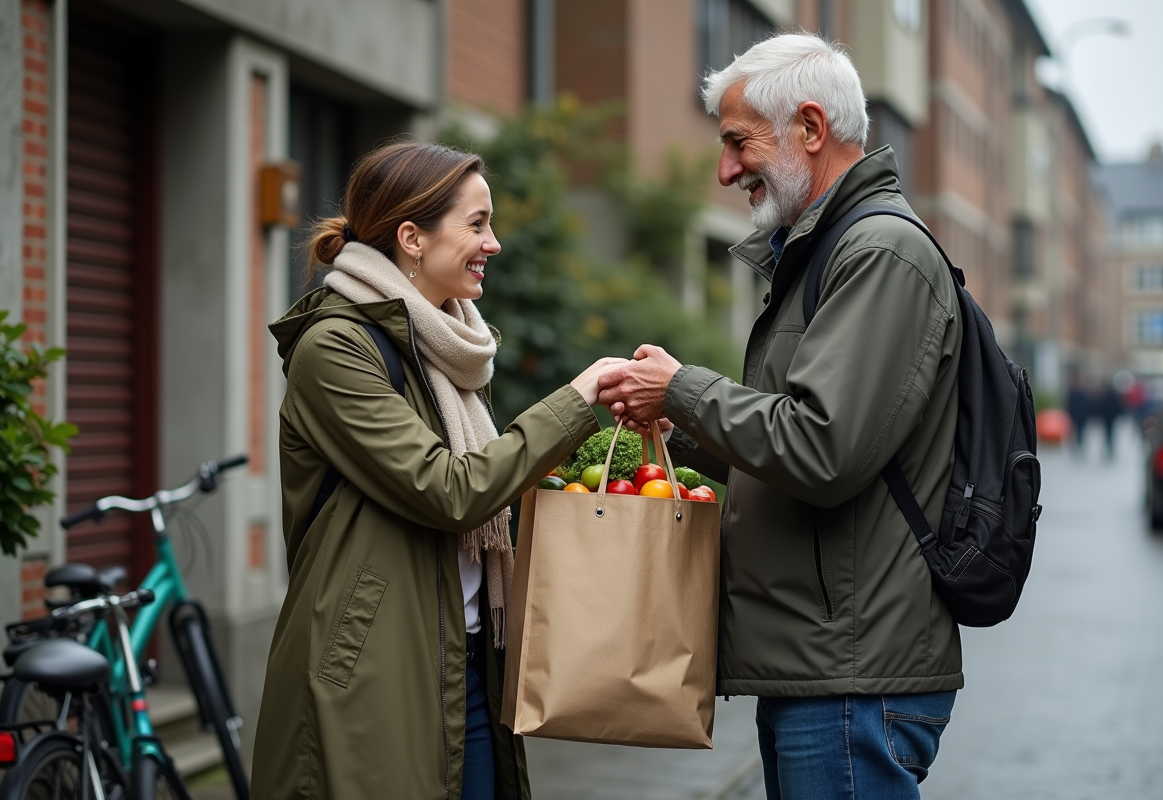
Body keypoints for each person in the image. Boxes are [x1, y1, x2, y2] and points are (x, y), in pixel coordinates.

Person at [599, 33, 962, 799]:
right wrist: (686, 432)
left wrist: (685, 389)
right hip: (825, 665)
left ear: (809, 128)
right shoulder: (832, 248)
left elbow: (822, 451)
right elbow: (801, 444)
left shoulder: (878, 253)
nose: (726, 170)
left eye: (737, 142)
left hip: (851, 675)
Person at [251, 142, 623, 800]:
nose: (495, 243)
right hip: (375, 678)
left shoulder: (446, 349)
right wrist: (578, 399)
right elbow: (451, 490)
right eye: (477, 224)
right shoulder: (335, 347)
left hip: (468, 665)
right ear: (411, 238)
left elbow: (497, 475)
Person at [1066, 374, 1093, 455]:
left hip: (1081, 416)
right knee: (1075, 432)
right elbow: (1069, 404)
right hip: (1076, 415)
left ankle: (1080, 446)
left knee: (1080, 431)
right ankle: (1076, 446)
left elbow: (1087, 405)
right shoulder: (1074, 393)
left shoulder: (1083, 393)